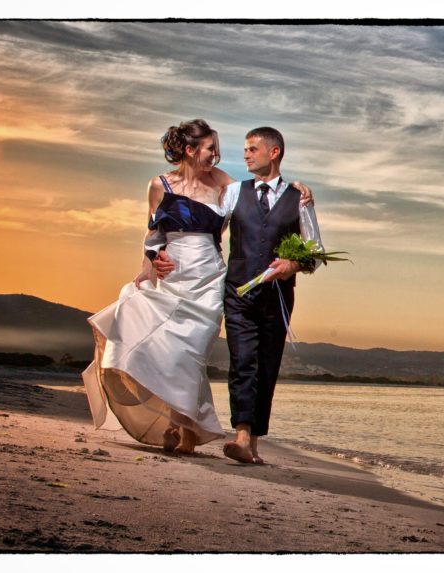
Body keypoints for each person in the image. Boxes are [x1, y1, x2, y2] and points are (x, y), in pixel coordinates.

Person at [83, 120, 313, 455]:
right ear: (190, 150)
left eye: (218, 150)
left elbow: (264, 196)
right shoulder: (159, 185)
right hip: (172, 275)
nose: (217, 157)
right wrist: (151, 263)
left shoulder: (223, 185)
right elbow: (152, 234)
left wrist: (295, 187)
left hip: (209, 278)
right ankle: (177, 424)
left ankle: (187, 431)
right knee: (163, 348)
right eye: (210, 149)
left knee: (190, 356)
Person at [154, 126, 323, 464]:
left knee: (267, 366)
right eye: (244, 149)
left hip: (277, 297)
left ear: (273, 153)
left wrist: (292, 264)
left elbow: (316, 252)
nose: (244, 154)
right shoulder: (233, 193)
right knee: (243, 362)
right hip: (237, 294)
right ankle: (242, 437)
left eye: (251, 149)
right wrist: (165, 251)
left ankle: (254, 442)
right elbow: (202, 225)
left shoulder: (298, 198)